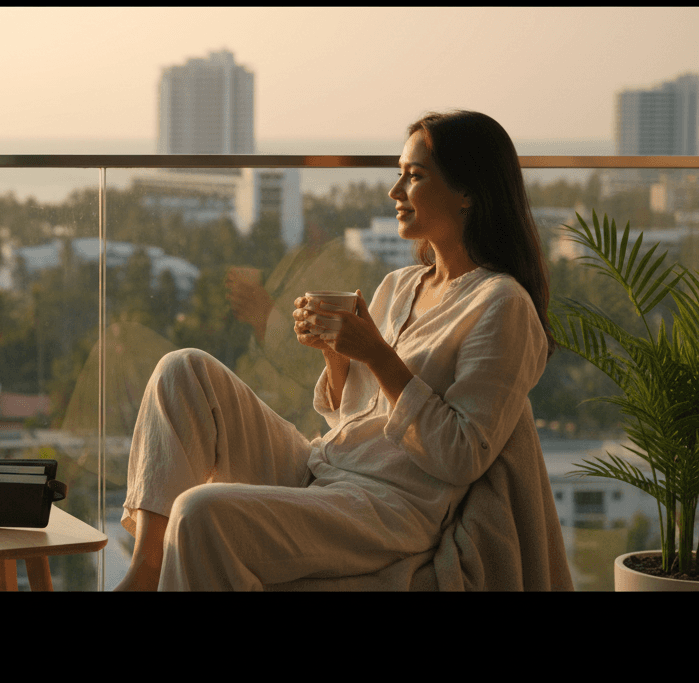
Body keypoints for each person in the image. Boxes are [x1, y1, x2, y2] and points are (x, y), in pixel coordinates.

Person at [113, 110, 556, 590]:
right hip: (323, 470)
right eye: (399, 175)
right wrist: (337, 355)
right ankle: (148, 567)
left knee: (199, 511)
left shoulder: (501, 304)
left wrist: (379, 355)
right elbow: (351, 418)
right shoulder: (399, 284)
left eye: (415, 177)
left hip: (388, 508)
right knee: (183, 371)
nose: (395, 191)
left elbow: (464, 455)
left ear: (468, 192)